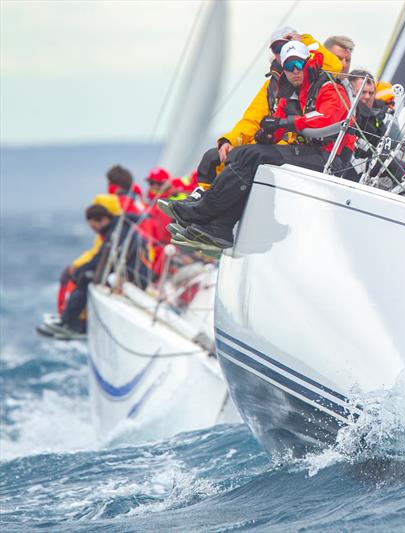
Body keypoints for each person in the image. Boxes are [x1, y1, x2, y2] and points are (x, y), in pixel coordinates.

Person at [161, 41, 355, 250]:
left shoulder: (328, 87)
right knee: (241, 155)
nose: (295, 71)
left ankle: (203, 211)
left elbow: (326, 118)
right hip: (309, 151)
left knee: (252, 155)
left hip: (330, 157)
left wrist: (287, 123)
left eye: (299, 64)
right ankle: (220, 227)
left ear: (308, 62)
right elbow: (273, 125)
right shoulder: (288, 92)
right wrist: (266, 134)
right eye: (289, 67)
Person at [192, 27, 344, 198]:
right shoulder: (271, 86)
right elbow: (252, 120)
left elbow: (336, 66)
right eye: (277, 49)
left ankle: (212, 207)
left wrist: (304, 40)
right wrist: (230, 140)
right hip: (277, 144)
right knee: (215, 156)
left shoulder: (315, 78)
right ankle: (202, 201)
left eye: (288, 47)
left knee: (248, 156)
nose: (282, 53)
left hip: (302, 148)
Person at [44, 196, 150, 337]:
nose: (94, 231)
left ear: (103, 220)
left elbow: (101, 259)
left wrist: (80, 271)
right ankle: (71, 321)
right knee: (85, 275)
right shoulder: (119, 227)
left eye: (94, 226)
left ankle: (69, 323)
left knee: (84, 279)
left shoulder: (116, 232)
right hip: (136, 275)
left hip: (135, 279)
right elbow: (101, 258)